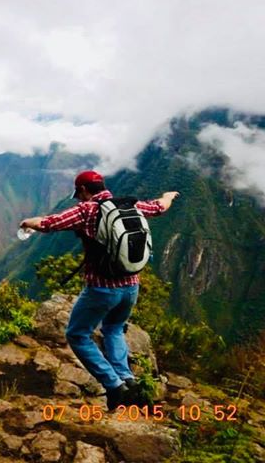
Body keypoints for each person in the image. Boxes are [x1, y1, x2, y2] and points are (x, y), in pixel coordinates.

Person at [20, 170, 179, 410]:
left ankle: (114, 385)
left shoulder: (87, 210)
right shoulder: (130, 206)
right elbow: (159, 207)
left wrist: (28, 222)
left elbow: (49, 223)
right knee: (114, 329)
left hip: (102, 289)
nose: (79, 198)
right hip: (131, 287)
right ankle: (127, 380)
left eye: (79, 194)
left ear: (84, 190)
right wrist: (168, 195)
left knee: (77, 334)